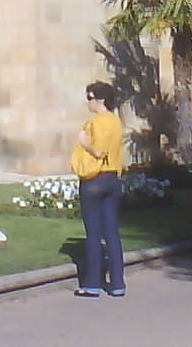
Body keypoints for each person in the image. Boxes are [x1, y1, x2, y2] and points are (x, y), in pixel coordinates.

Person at [70, 80, 125, 297]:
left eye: (90, 97)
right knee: (112, 232)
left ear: (101, 100)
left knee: (93, 234)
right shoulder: (116, 121)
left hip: (95, 180)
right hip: (113, 178)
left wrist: (83, 142)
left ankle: (92, 283)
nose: (88, 102)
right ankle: (117, 283)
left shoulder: (97, 122)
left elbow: (98, 151)